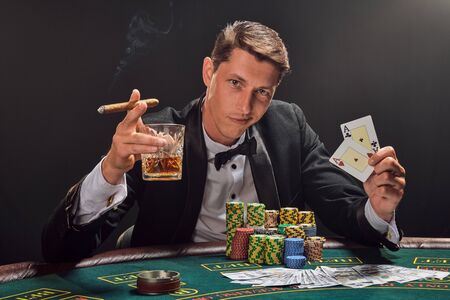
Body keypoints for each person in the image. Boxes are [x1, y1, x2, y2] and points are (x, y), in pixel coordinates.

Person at [42, 21, 406, 262]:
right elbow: (61, 250)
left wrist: (379, 207)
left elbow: (344, 211)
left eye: (262, 92)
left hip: (265, 283)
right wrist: (111, 170)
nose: (246, 106)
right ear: (208, 73)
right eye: (235, 83)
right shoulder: (157, 135)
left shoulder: (288, 126)